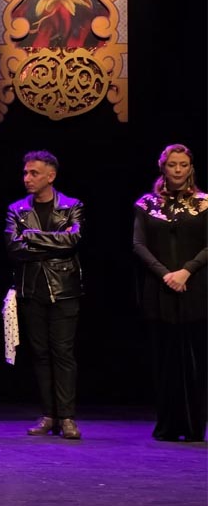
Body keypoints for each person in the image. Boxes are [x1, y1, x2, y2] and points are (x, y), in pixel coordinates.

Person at [4, 151, 84, 439]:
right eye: (25, 173)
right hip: (31, 289)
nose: (27, 178)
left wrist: (32, 236)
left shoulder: (72, 206)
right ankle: (49, 415)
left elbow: (74, 240)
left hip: (64, 289)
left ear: (51, 176)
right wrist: (51, 241)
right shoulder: (17, 209)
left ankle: (67, 417)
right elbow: (13, 247)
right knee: (39, 354)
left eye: (34, 173)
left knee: (62, 353)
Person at [132, 144, 207, 442]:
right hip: (160, 289)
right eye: (172, 165)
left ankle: (192, 427)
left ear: (190, 168)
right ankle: (166, 425)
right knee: (164, 360)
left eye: (183, 165)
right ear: (162, 167)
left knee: (195, 360)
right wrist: (165, 274)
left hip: (195, 287)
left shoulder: (203, 203)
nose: (177, 170)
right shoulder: (147, 204)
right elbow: (138, 244)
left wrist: (186, 270)